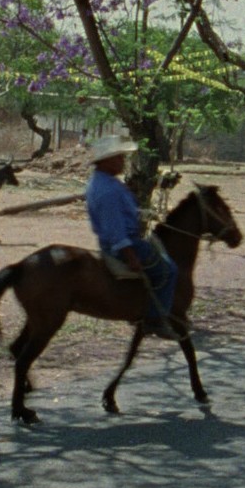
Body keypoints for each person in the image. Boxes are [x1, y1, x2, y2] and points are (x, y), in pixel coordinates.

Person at [84, 135, 177, 337]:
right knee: (168, 270)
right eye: (119, 158)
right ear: (106, 161)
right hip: (122, 244)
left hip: (120, 239)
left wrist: (142, 214)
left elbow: (123, 213)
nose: (122, 162)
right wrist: (130, 255)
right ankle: (154, 320)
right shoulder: (107, 190)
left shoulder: (106, 182)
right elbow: (115, 229)